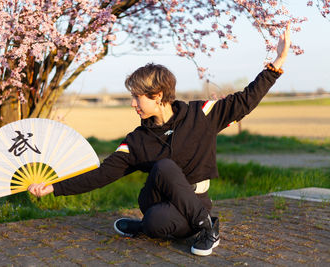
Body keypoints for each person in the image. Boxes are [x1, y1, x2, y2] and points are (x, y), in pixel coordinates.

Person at [28, 23, 290, 256]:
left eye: (137, 97)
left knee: (156, 219)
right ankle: (202, 226)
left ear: (158, 95)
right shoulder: (137, 140)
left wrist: (276, 63)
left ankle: (202, 226)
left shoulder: (202, 115)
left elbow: (245, 100)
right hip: (157, 198)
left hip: (195, 202)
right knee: (159, 188)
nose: (132, 104)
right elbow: (102, 174)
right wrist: (55, 186)